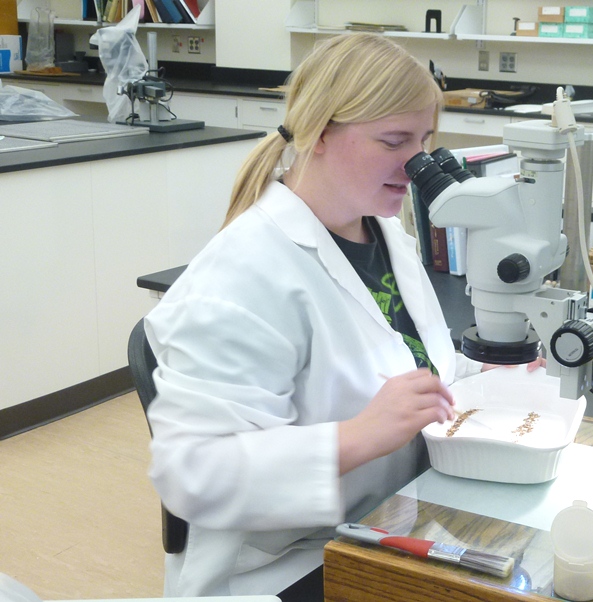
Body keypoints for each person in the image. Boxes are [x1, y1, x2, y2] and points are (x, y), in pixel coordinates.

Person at [144, 33, 539, 598]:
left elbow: (407, 364)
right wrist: (355, 438)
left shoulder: (382, 233)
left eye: (425, 140)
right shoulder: (241, 276)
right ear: (319, 132)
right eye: (394, 140)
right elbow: (192, 474)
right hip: (288, 566)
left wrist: (487, 378)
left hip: (390, 522)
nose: (417, 164)